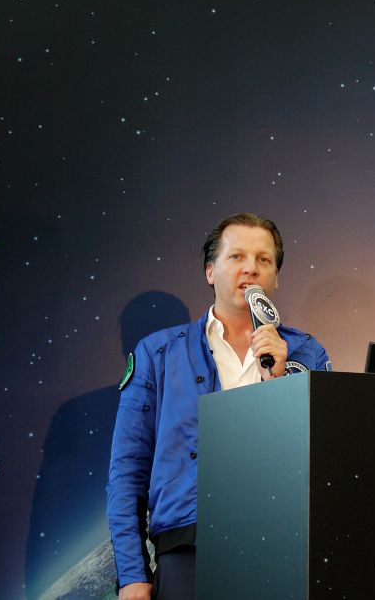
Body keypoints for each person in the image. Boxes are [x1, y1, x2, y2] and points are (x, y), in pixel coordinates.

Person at [106, 213, 330, 599]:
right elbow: (127, 471)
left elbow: (326, 459)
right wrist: (132, 575)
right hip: (188, 547)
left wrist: (279, 382)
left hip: (285, 545)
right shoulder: (157, 354)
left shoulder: (306, 352)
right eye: (237, 256)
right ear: (210, 272)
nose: (251, 269)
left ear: (276, 278)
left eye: (263, 260)